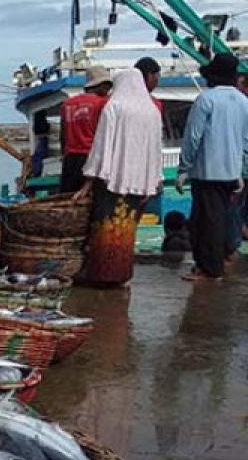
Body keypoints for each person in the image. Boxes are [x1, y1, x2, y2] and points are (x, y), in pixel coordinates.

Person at [73, 70, 163, 287]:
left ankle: (103, 274)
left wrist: (88, 182)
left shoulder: (114, 107)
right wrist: (153, 183)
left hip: (111, 181)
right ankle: (121, 274)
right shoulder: (152, 111)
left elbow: (101, 147)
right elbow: (155, 150)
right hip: (139, 183)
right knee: (127, 229)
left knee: (106, 227)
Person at [177, 52, 248, 281]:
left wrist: (183, 168)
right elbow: (246, 141)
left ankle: (209, 269)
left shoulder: (206, 99)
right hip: (232, 172)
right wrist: (240, 170)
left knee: (205, 222)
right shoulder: (243, 102)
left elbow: (193, 137)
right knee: (222, 218)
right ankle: (216, 263)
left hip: (207, 171)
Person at [59, 66, 112, 194]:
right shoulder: (102, 103)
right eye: (107, 86)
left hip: (70, 161)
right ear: (100, 85)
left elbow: (63, 136)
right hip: (92, 158)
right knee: (96, 202)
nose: (108, 90)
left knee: (69, 199)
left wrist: (64, 155)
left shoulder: (67, 104)